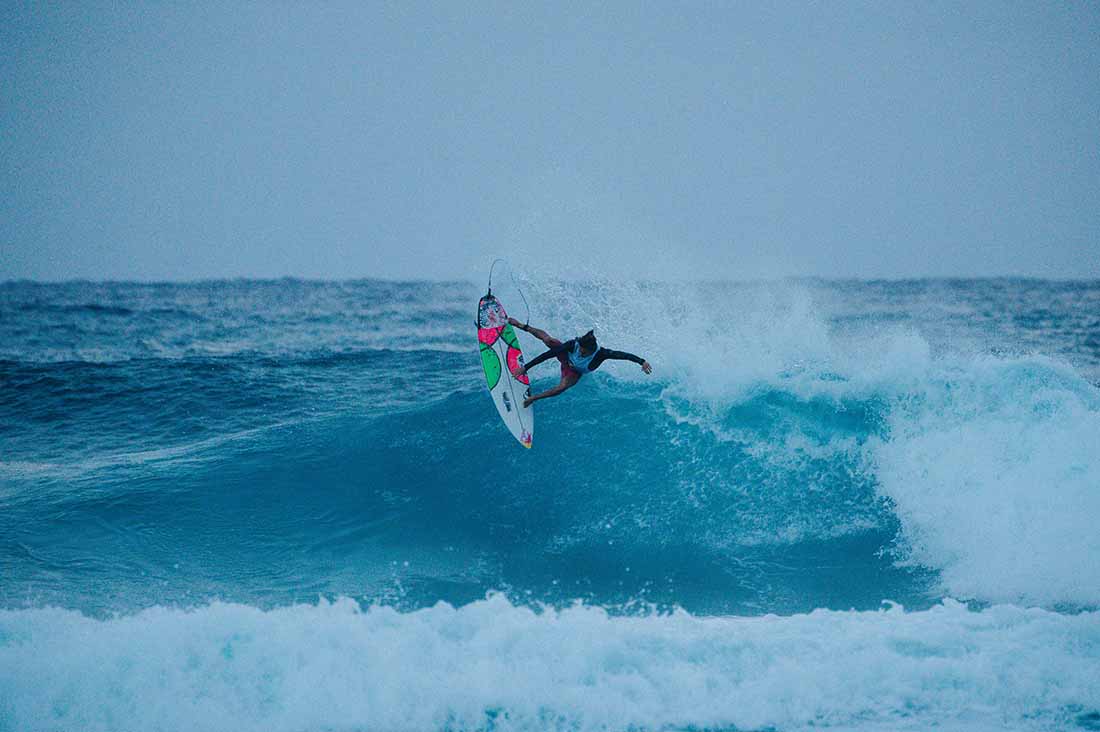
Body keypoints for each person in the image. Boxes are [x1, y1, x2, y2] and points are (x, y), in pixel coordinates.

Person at [508, 317, 652, 407]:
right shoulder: (573, 344)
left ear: (591, 349)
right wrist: (525, 368)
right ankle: (520, 325)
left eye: (583, 351)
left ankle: (534, 398)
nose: (580, 352)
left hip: (574, 372)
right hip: (565, 358)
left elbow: (623, 355)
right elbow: (550, 354)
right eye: (580, 349)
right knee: (549, 340)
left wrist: (642, 361)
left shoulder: (601, 354)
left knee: (561, 387)